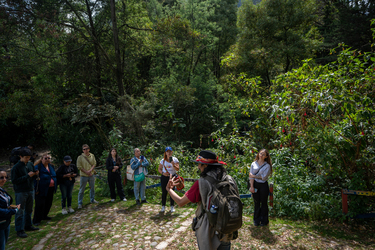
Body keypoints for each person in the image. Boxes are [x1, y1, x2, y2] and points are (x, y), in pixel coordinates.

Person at [166, 150, 238, 250]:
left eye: (200, 164)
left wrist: (169, 189)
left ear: (205, 166)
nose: (198, 167)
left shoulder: (202, 183)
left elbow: (180, 202)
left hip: (209, 232)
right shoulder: (230, 179)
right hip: (227, 229)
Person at [10, 148, 39, 238]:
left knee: (29, 209)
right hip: (21, 191)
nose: (28, 159)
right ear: (20, 157)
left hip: (30, 189)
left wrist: (35, 174)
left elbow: (32, 175)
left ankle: (28, 225)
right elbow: (14, 181)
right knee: (20, 211)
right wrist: (27, 176)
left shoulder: (30, 164)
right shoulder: (16, 168)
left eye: (29, 157)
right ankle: (19, 229)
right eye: (26, 157)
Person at [249, 149, 272, 227]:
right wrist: (251, 186)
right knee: (256, 202)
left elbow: (264, 177)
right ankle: (256, 220)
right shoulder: (253, 164)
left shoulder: (267, 166)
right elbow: (250, 176)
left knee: (264, 203)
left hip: (263, 185)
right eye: (260, 153)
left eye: (263, 154)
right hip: (255, 184)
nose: (261, 155)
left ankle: (264, 221)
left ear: (266, 156)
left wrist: (254, 176)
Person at [33, 154, 57, 225]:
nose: (47, 159)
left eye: (48, 158)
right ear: (42, 159)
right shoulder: (38, 167)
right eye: (45, 158)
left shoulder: (51, 166)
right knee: (40, 204)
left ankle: (44, 216)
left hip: (51, 188)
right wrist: (36, 189)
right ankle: (36, 220)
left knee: (48, 203)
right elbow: (34, 179)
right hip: (41, 189)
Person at [0, 168, 20, 249]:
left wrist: (10, 206)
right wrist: (15, 210)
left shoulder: (1, 189)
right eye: (1, 177)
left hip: (5, 222)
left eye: (6, 177)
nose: (4, 179)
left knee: (4, 243)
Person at [158, 146, 179, 213]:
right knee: (164, 192)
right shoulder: (163, 160)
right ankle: (163, 206)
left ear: (172, 152)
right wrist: (163, 173)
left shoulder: (175, 159)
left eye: (170, 151)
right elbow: (159, 169)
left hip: (172, 177)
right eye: (167, 151)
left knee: (172, 192)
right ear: (165, 153)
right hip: (165, 177)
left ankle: (172, 206)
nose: (169, 153)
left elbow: (177, 169)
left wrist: (174, 165)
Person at [77, 144, 98, 208]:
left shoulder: (92, 155)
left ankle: (92, 199)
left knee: (92, 188)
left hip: (91, 175)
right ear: (82, 150)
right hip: (83, 175)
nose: (85, 150)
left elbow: (94, 164)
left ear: (89, 149)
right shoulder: (80, 157)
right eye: (84, 149)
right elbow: (79, 167)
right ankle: (80, 203)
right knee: (82, 190)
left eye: (86, 149)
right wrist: (87, 172)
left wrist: (90, 171)